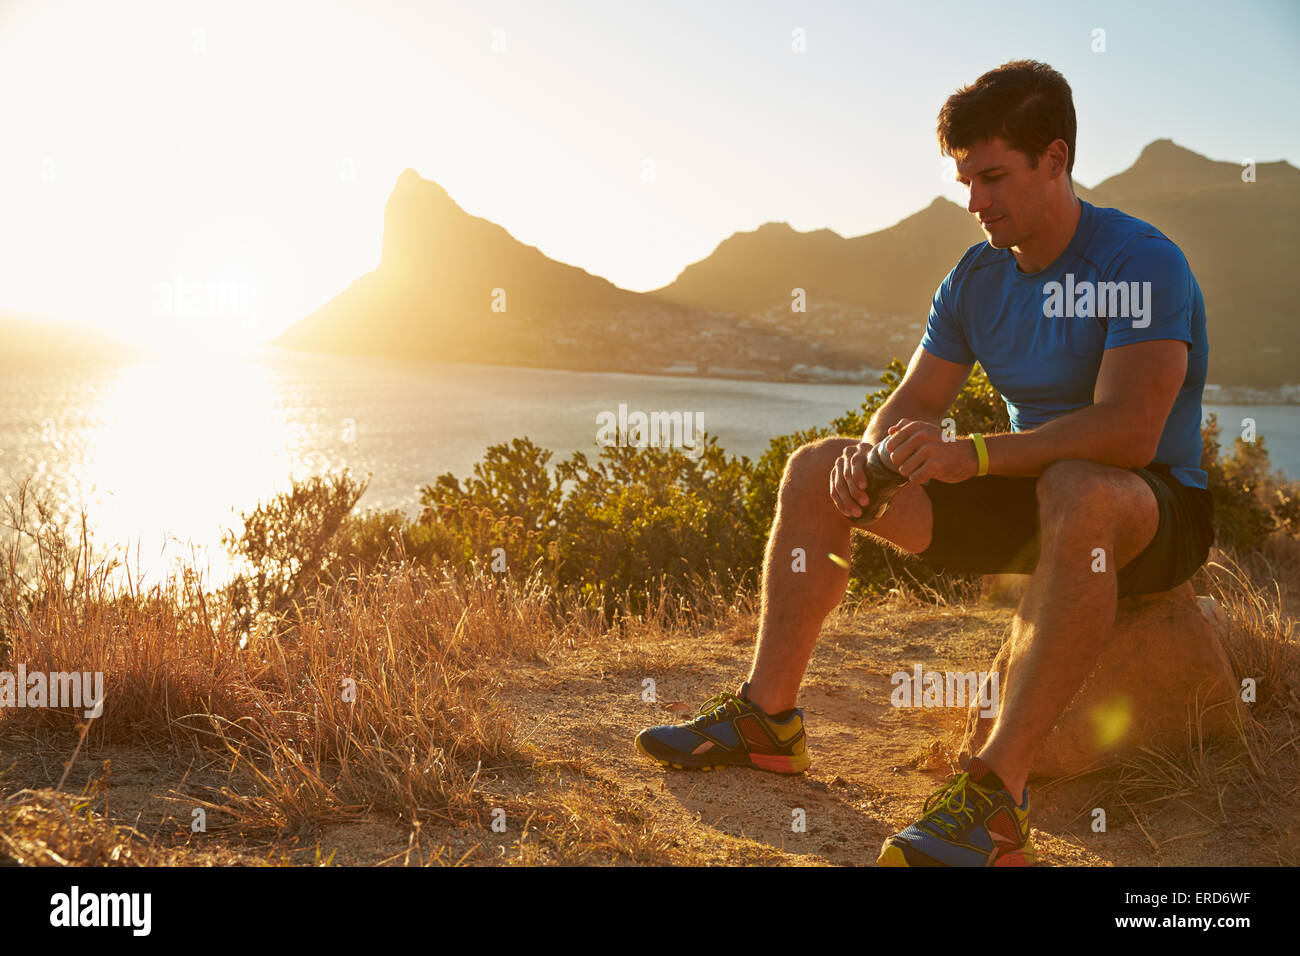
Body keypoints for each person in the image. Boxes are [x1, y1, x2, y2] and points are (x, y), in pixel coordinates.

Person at [634, 59, 1214, 867]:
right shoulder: (976, 278)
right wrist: (877, 459)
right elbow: (912, 404)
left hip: (1150, 508)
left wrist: (971, 454)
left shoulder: (1138, 261)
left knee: (1079, 486)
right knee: (815, 467)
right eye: (966, 180)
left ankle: (994, 797)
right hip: (1024, 496)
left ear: (1056, 160)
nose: (975, 202)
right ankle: (768, 719)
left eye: (994, 177)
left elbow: (1128, 433)